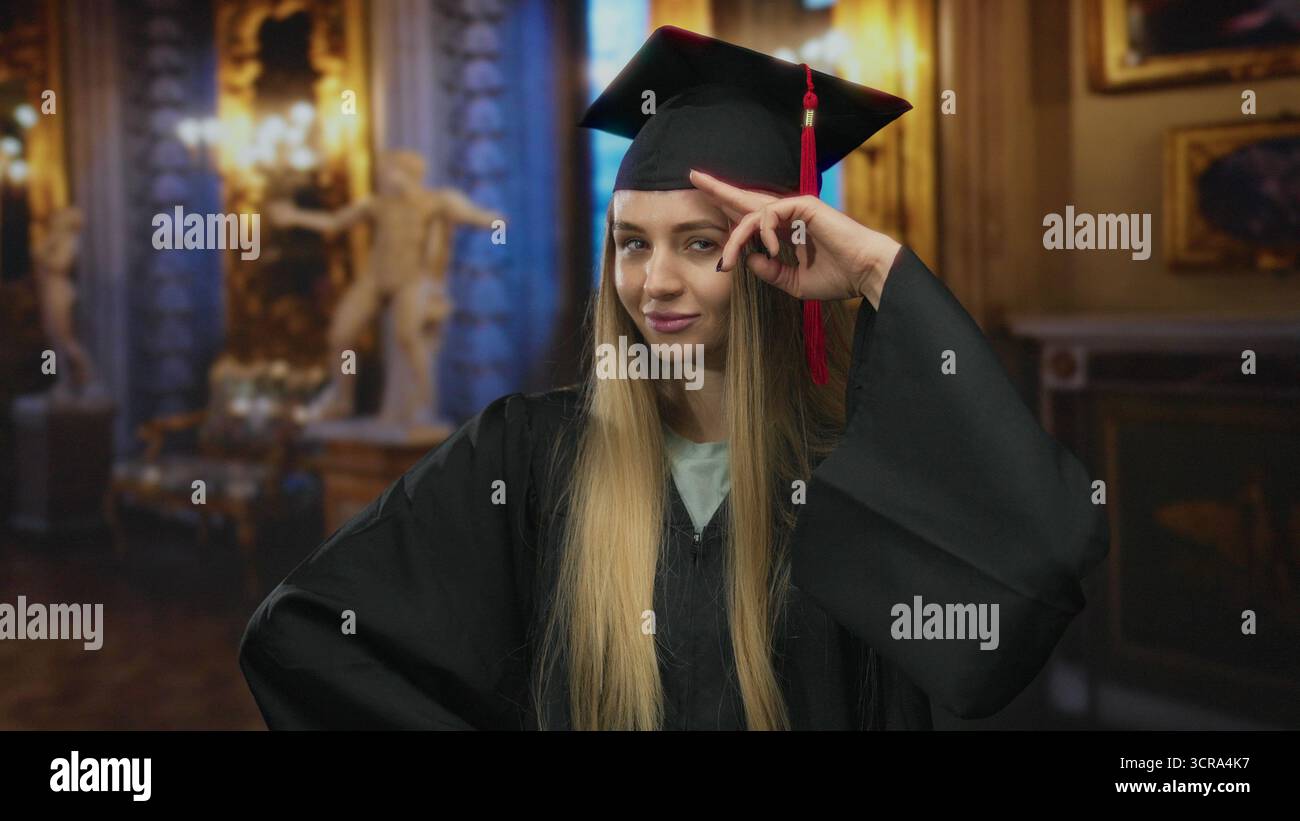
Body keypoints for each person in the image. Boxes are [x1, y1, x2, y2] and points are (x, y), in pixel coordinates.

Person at [239, 26, 1109, 730]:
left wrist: (880, 271)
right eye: (630, 242)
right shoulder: (525, 454)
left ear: (779, 254)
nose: (654, 281)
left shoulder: (856, 473)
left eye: (700, 243)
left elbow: (1041, 566)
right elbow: (302, 634)